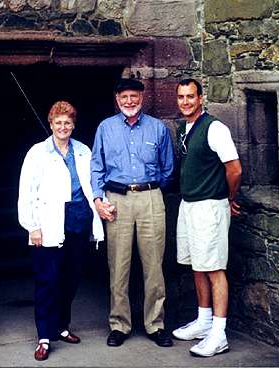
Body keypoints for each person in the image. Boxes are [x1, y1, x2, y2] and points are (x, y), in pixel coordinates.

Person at [91, 78, 175, 348]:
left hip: (150, 197)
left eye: (134, 96)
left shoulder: (157, 128)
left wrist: (151, 191)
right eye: (124, 96)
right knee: (119, 265)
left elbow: (168, 168)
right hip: (118, 199)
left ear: (142, 97)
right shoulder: (106, 128)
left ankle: (155, 324)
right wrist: (98, 199)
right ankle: (119, 324)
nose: (129, 101)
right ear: (117, 99)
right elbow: (97, 167)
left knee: (154, 266)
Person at [18, 101, 104, 361]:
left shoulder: (83, 150)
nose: (63, 127)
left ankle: (62, 326)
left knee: (71, 279)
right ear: (51, 124)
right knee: (48, 281)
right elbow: (26, 192)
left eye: (68, 122)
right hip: (49, 224)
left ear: (73, 124)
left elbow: (93, 184)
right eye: (58, 123)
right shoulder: (37, 152)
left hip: (78, 222)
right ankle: (44, 337)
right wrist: (32, 227)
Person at [172, 78, 242, 357]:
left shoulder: (215, 128)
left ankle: (219, 333)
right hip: (189, 205)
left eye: (191, 96)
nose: (185, 101)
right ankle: (203, 321)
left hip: (210, 206)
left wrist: (229, 198)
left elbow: (234, 169)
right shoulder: (185, 128)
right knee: (198, 265)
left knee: (214, 268)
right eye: (181, 97)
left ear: (201, 98)